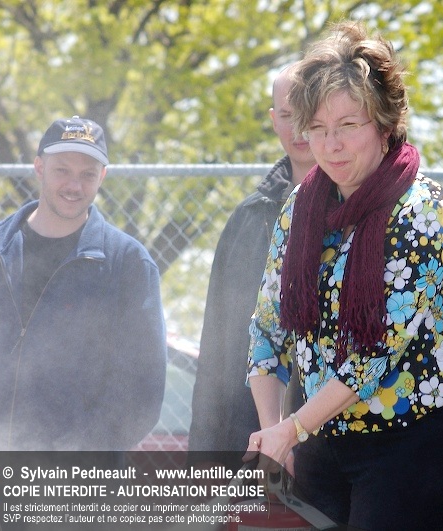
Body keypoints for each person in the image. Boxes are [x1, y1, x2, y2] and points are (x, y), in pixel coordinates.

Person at [246, 22, 443, 530]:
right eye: (317, 128)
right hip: (319, 438)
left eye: (348, 124)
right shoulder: (299, 208)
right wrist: (274, 437)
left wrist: (291, 429)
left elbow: (373, 358)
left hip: (414, 442)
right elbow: (267, 329)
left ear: (385, 124)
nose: (331, 145)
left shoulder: (425, 213)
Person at [0, 115, 167, 451]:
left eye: (87, 174)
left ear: (102, 176)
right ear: (39, 168)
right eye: (62, 170)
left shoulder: (128, 263)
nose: (75, 186)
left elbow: (143, 389)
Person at [188, 64, 316, 452]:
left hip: (329, 439)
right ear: (273, 121)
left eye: (308, 113)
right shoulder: (248, 217)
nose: (299, 128)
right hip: (249, 437)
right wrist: (204, 454)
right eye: (288, 115)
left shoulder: (364, 215)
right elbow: (216, 346)